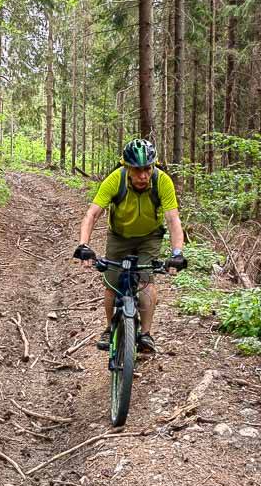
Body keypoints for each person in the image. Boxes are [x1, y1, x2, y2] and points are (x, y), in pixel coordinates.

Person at [73, 138, 187, 353]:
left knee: (146, 281)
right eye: (137, 170)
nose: (143, 175)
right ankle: (109, 329)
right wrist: (83, 245)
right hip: (119, 235)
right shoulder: (115, 180)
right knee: (112, 280)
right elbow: (92, 214)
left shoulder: (162, 181)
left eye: (147, 169)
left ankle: (145, 334)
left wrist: (177, 253)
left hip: (149, 237)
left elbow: (173, 220)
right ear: (127, 167)